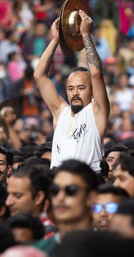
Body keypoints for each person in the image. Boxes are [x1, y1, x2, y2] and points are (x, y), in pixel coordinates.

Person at [33, 11, 110, 171]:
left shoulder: (97, 111)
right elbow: (39, 75)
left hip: (87, 187)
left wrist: (86, 35)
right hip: (58, 186)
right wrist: (55, 40)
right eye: (70, 88)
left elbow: (95, 73)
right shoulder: (60, 112)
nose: (75, 92)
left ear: (92, 91)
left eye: (81, 88)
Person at [34, 160, 98, 254]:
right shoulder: (37, 252)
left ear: (91, 198)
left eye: (71, 190)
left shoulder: (114, 250)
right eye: (55, 191)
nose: (60, 198)